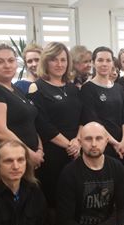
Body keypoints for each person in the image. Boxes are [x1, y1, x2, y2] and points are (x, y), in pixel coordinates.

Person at [27, 42, 88, 207]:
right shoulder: (36, 87)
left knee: (77, 197)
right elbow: (42, 124)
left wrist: (77, 141)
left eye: (63, 60)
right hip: (53, 153)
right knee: (54, 201)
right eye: (54, 59)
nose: (59, 64)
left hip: (77, 150)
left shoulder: (73, 88)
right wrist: (69, 145)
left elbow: (83, 118)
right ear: (45, 61)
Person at [0, 43, 43, 176]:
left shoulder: (15, 89)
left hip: (26, 161)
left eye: (11, 60)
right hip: (4, 164)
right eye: (0, 62)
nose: (7, 65)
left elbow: (29, 122)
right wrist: (29, 154)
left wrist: (39, 149)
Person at [79, 46, 124, 161]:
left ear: (113, 63)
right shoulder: (87, 89)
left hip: (122, 145)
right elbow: (92, 119)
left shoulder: (119, 88)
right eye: (100, 60)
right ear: (93, 63)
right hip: (100, 145)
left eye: (108, 60)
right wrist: (114, 143)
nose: (104, 64)